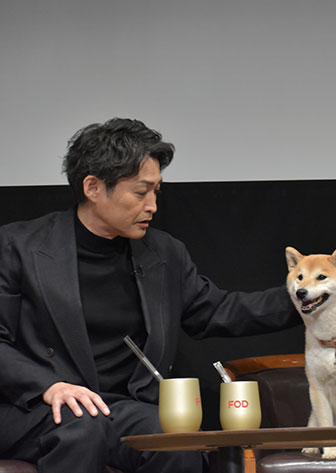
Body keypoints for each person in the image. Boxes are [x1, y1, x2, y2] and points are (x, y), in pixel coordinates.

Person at [0, 118, 301, 472]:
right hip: (34, 406)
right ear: (93, 187)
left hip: (123, 407)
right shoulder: (19, 247)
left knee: (176, 440)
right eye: (141, 193)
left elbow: (216, 310)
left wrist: (308, 299)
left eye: (157, 191)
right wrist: (48, 385)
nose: (153, 205)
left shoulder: (163, 254)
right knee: (83, 430)